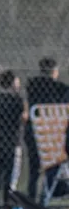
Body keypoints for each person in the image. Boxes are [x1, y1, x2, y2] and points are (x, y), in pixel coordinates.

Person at [24, 58, 69, 200]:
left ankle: (32, 198)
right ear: (54, 71)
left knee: (34, 169)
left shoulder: (32, 86)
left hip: (33, 131)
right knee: (52, 165)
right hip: (52, 134)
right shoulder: (60, 89)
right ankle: (46, 195)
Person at [0, 70, 27, 208]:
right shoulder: (17, 100)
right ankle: (8, 199)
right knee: (12, 173)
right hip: (13, 141)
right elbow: (24, 117)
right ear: (13, 83)